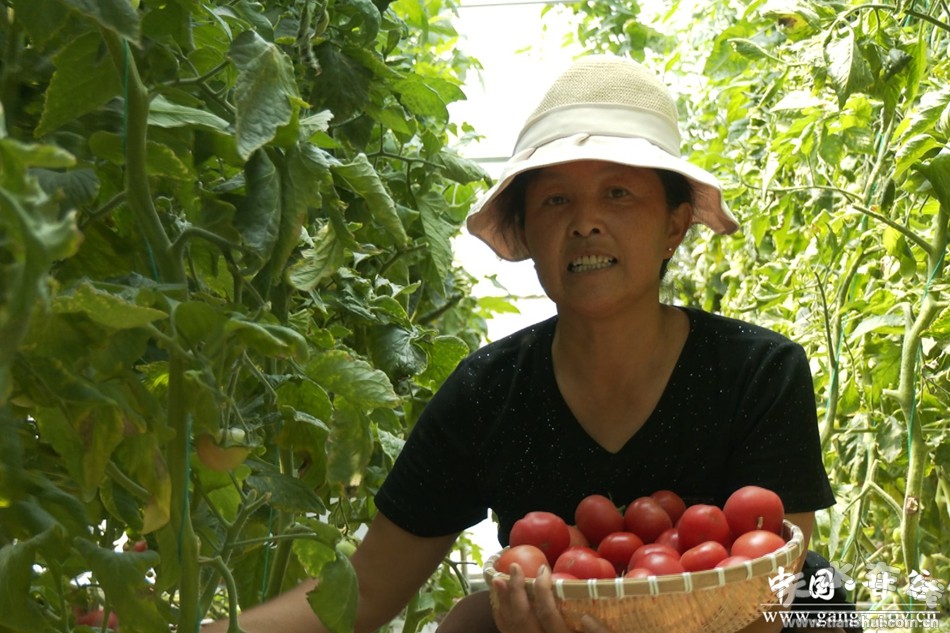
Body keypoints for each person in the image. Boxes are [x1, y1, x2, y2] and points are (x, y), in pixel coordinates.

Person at [203, 55, 841, 633]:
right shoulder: (489, 391)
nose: (585, 222)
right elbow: (366, 589)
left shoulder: (758, 371)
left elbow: (768, 599)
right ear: (528, 233)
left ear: (674, 225)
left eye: (618, 193)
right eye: (555, 200)